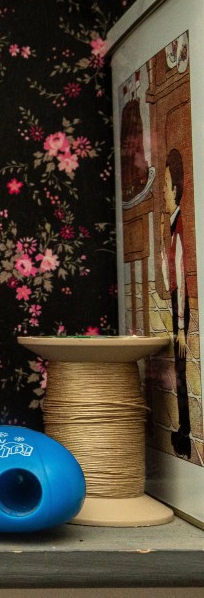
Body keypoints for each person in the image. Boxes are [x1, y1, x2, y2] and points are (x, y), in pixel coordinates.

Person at [161, 148, 192, 457]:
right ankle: (182, 430)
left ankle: (184, 432)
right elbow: (168, 280)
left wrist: (181, 328)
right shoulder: (169, 227)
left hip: (180, 310)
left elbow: (180, 282)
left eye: (167, 185)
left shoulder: (180, 226)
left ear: (176, 190)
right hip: (174, 305)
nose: (164, 192)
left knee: (182, 373)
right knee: (177, 372)